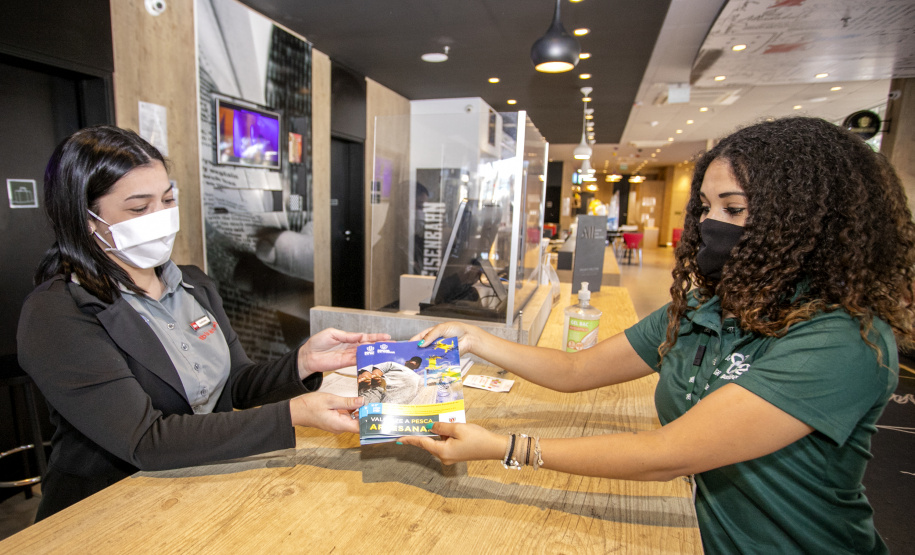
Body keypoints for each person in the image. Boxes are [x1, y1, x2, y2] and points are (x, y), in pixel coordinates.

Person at [403, 117, 915, 554]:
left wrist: (504, 447)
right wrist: (474, 338)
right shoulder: (703, 307)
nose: (711, 224)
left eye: (733, 210)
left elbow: (670, 454)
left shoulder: (842, 341)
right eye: (706, 208)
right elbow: (576, 369)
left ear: (808, 221)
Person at [17, 125, 390, 521]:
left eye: (167, 199)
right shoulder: (57, 313)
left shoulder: (193, 283)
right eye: (139, 209)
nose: (159, 218)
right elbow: (146, 440)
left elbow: (236, 386)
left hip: (200, 490)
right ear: (87, 219)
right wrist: (292, 414)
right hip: (109, 513)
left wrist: (303, 361)